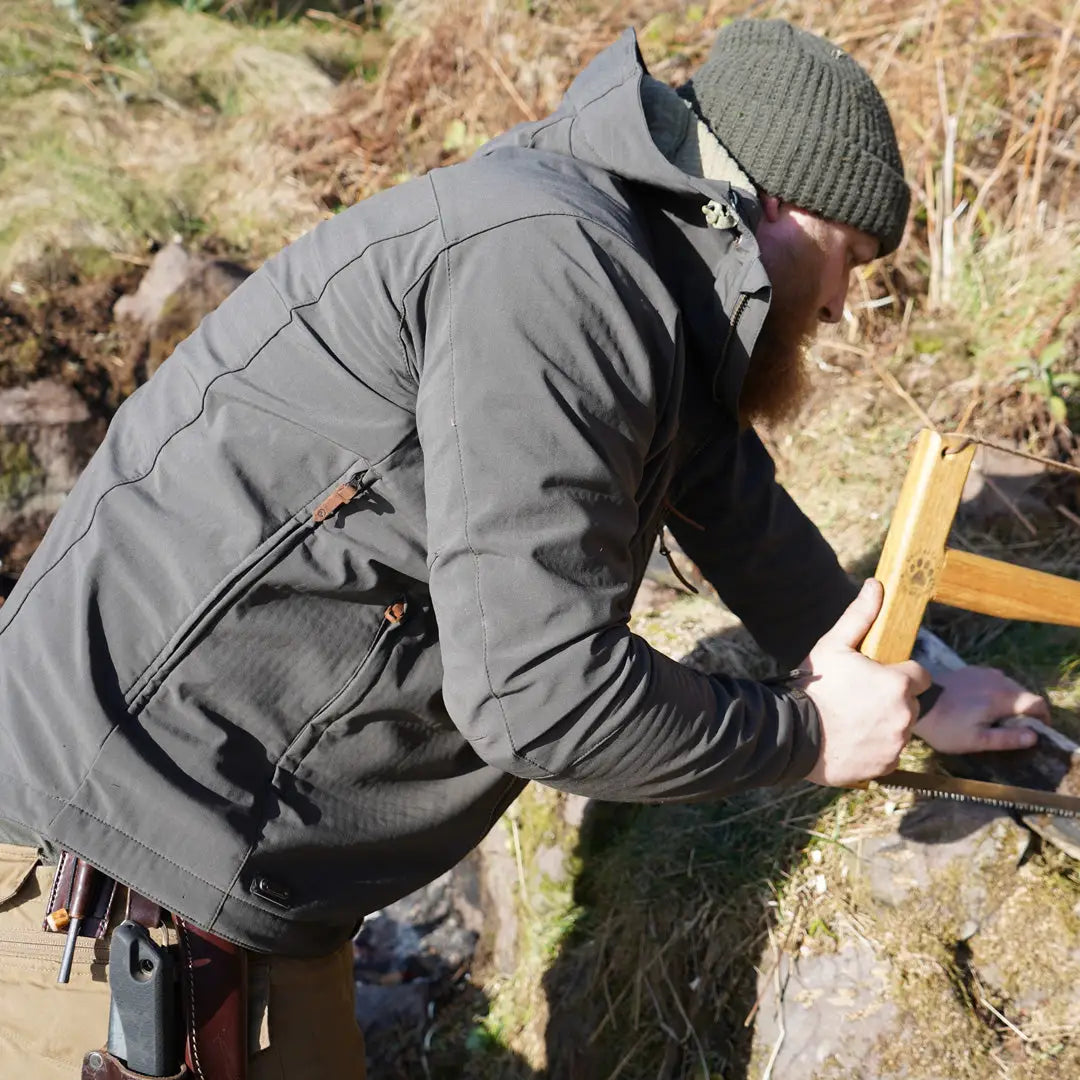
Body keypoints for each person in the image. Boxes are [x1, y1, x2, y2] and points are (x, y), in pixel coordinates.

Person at [0, 17, 1049, 1079]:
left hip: (244, 875)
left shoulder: (623, 260)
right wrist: (810, 738)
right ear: (779, 198)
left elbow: (729, 502)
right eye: (849, 262)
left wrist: (917, 681)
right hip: (104, 882)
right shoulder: (555, 268)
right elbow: (540, 696)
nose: (836, 309)